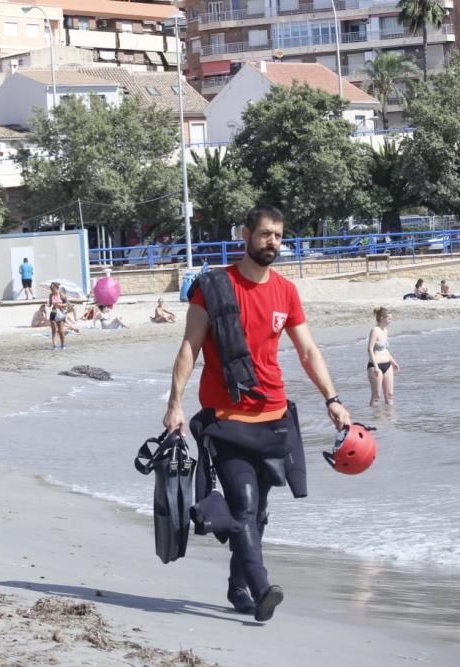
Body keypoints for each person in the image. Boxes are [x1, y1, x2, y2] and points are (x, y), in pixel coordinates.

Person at [163, 205, 352, 623]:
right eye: (265, 234)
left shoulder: (286, 291)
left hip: (273, 417)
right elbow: (189, 348)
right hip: (226, 417)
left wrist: (332, 399)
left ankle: (237, 587)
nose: (272, 243)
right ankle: (263, 588)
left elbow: (307, 351)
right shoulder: (213, 288)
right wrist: (175, 404)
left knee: (258, 512)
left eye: (279, 236)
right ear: (244, 234)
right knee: (245, 504)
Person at [367, 307, 400, 406]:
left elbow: (384, 349)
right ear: (382, 318)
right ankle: (375, 420)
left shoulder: (385, 330)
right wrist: (376, 366)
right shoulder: (375, 330)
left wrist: (393, 362)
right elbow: (370, 349)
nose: (391, 321)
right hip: (375, 366)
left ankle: (390, 419)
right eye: (389, 319)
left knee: (390, 395)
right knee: (376, 396)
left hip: (387, 364)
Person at [48, 282, 67, 350]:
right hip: (53, 312)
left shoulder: (61, 294)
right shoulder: (51, 295)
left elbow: (67, 304)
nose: (51, 290)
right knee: (53, 330)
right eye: (51, 288)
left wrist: (60, 305)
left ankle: (63, 344)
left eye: (52, 288)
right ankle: (54, 345)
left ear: (56, 288)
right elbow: (50, 304)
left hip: (60, 312)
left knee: (60, 331)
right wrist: (49, 304)